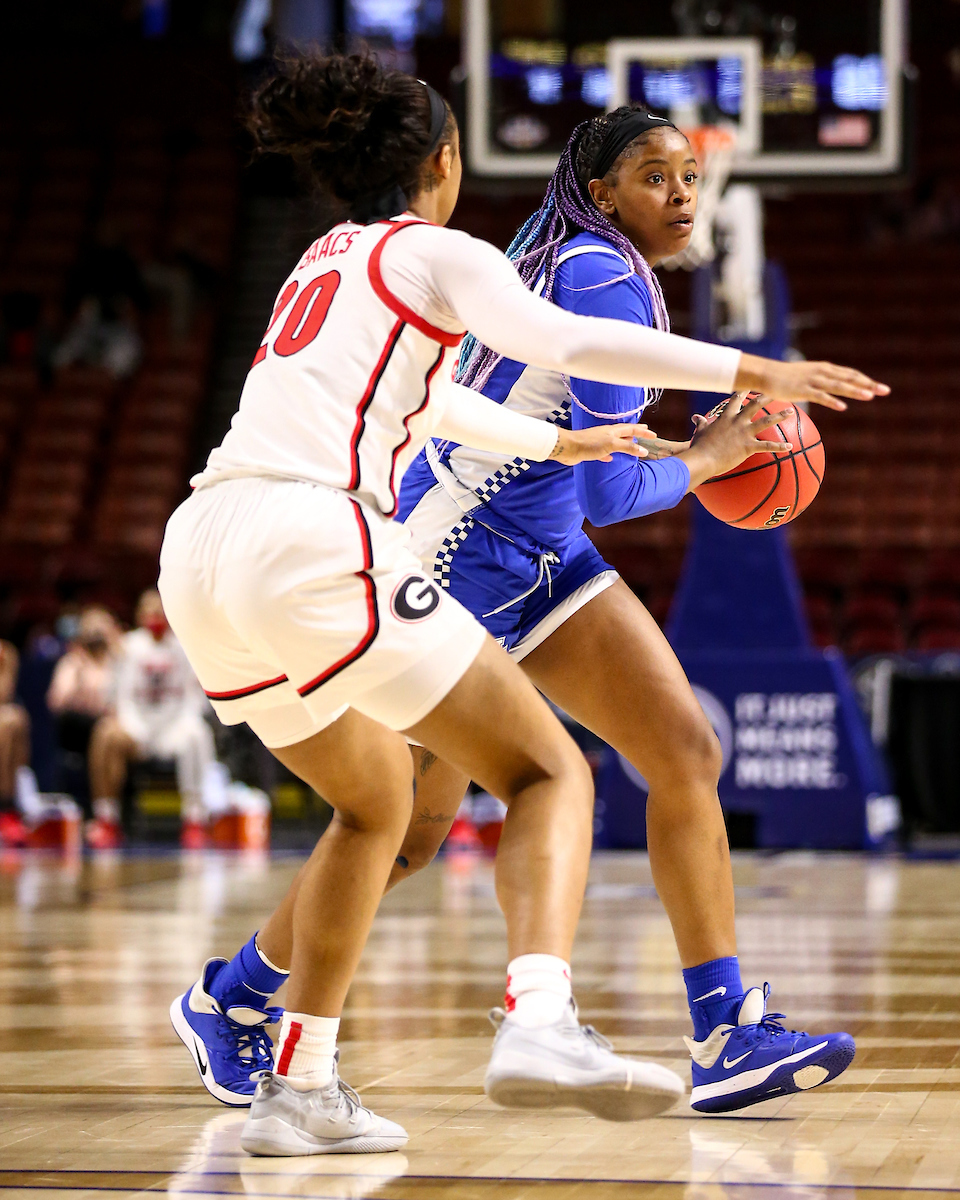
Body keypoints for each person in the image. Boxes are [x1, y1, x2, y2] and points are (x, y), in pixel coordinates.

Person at [160, 52, 886, 1157]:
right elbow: (600, 461)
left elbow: (489, 420)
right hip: (452, 546)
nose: (684, 194)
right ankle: (265, 995)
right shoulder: (585, 274)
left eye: (693, 175)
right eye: (658, 175)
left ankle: (725, 1029)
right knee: (432, 817)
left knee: (673, 749)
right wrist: (736, 400)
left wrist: (573, 437)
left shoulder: (353, 252)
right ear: (455, 162)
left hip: (491, 546)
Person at [88, 590, 215, 849]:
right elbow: (111, 696)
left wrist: (186, 721)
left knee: (198, 735)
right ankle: (107, 819)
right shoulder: (126, 647)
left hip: (174, 726)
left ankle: (194, 819)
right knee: (105, 734)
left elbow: (198, 696)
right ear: (139, 614)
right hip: (136, 727)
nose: (155, 615)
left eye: (160, 610)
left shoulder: (187, 645)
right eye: (149, 610)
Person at [47, 606, 120, 845]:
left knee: (109, 733)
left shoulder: (118, 662)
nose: (97, 635)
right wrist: (78, 676)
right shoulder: (73, 662)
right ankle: (98, 815)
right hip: (79, 728)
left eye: (102, 628)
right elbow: (57, 702)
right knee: (101, 731)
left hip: (111, 726)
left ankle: (110, 816)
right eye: (92, 629)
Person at [0, 639, 31, 846]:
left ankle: (6, 809)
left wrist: (5, 666)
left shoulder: (5, 653)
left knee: (13, 719)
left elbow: (3, 695)